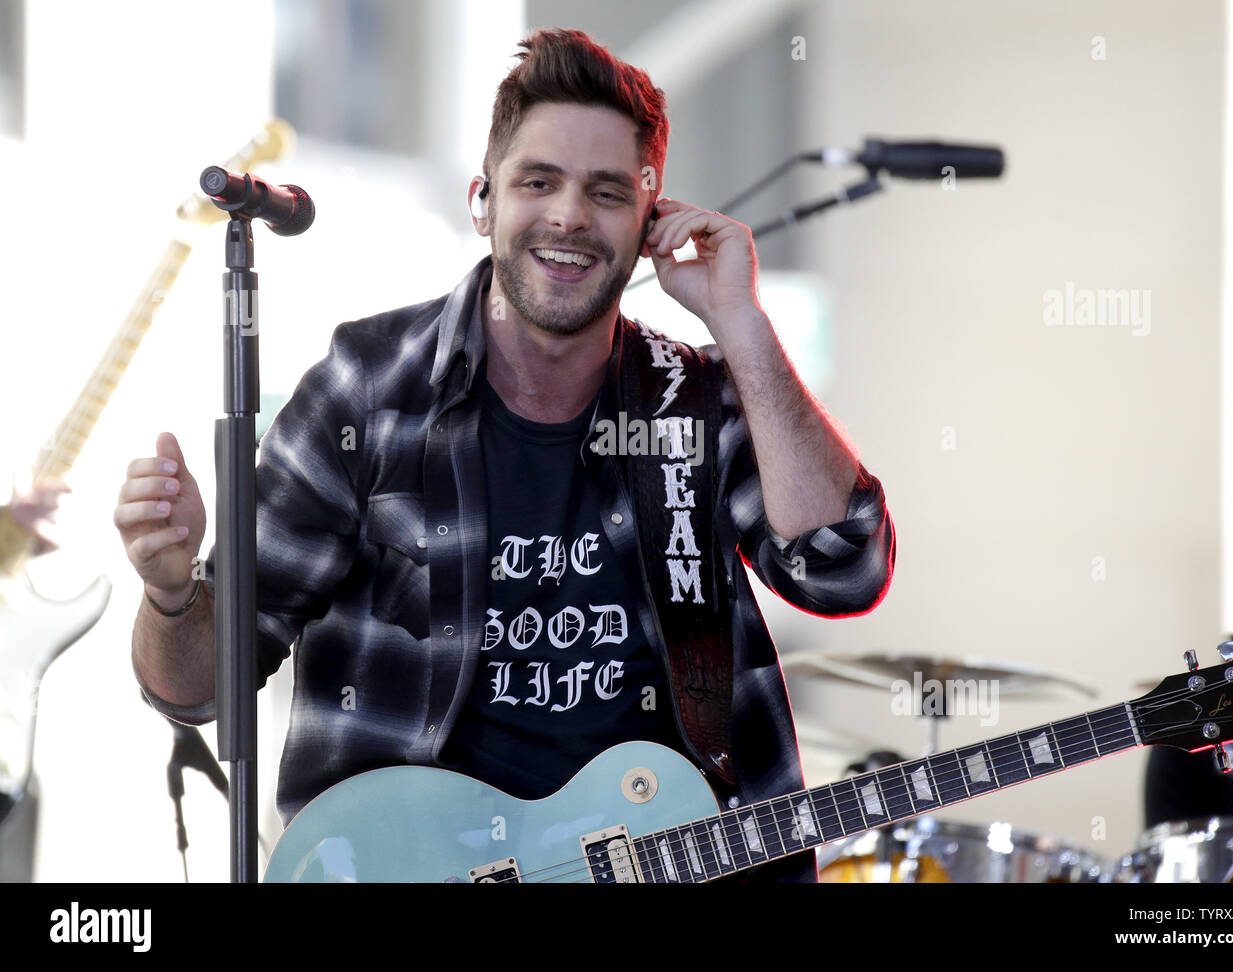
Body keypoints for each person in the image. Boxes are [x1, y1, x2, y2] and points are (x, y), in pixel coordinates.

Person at [116, 28, 895, 883]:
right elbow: (201, 689)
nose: (567, 215)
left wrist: (741, 327)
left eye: (606, 192)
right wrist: (168, 590)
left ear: (649, 224)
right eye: (538, 181)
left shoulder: (696, 400)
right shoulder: (369, 390)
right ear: (484, 200)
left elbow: (843, 570)